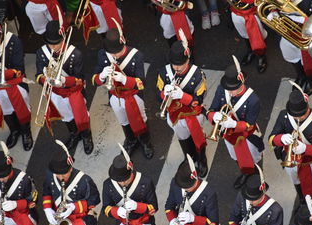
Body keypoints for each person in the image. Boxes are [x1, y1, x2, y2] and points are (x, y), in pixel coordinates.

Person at [92, 27, 154, 159]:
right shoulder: (103, 55)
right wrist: (102, 75)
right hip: (115, 95)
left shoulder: (136, 56)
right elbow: (95, 79)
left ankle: (145, 142)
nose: (115, 55)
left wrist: (124, 79)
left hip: (133, 94)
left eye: (117, 52)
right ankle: (130, 140)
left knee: (140, 118)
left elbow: (141, 83)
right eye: (112, 52)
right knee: (123, 119)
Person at [35, 20, 94, 154]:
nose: (54, 47)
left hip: (73, 92)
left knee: (81, 115)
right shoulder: (42, 53)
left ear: (63, 39)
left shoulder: (75, 54)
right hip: (56, 93)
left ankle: (86, 135)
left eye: (57, 43)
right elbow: (38, 75)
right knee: (66, 116)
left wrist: (64, 80)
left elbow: (80, 79)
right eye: (50, 43)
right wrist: (45, 79)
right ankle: (74, 133)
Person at [269, 89, 312, 218]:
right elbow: (271, 138)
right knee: (296, 181)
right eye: (295, 115)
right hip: (291, 159)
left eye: (301, 114)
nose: (298, 118)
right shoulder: (284, 116)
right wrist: (281, 138)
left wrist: (305, 149)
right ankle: (303, 201)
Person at [0, 15, 33, 151]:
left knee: (22, 110)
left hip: (14, 84)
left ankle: (26, 131)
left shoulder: (13, 42)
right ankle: (14, 130)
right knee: (6, 110)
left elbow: (19, 69)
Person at [43, 140, 100, 225]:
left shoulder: (84, 180)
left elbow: (94, 199)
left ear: (70, 167)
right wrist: (47, 208)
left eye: (63, 173)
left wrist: (75, 206)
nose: (61, 177)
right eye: (57, 174)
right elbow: (46, 191)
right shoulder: (50, 176)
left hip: (83, 217)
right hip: (64, 218)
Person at [156, 37, 208, 177]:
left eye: (181, 64)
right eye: (174, 64)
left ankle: (202, 159)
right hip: (174, 114)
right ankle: (188, 157)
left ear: (188, 60)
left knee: (198, 137)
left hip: (193, 114)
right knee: (182, 137)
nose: (177, 67)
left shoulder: (197, 75)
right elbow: (157, 94)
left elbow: (199, 98)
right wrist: (164, 94)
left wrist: (182, 96)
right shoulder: (164, 72)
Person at [207, 59, 264, 187]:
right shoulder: (222, 89)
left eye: (234, 88)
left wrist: (233, 124)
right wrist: (213, 115)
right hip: (229, 134)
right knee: (236, 157)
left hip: (247, 135)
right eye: (229, 88)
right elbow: (212, 109)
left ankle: (257, 177)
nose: (231, 91)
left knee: (254, 158)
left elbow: (249, 124)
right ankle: (245, 173)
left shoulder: (253, 99)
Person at [102, 148, 159, 225]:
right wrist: (117, 211)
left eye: (125, 179)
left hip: (144, 221)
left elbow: (154, 207)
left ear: (131, 172)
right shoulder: (108, 184)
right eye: (119, 180)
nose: (122, 183)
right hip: (124, 223)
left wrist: (137, 206)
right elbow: (106, 208)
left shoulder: (145, 182)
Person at [165, 156, 220, 225]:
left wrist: (193, 219)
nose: (184, 189)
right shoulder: (176, 184)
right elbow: (169, 206)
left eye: (187, 187)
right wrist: (172, 219)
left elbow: (213, 222)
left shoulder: (209, 193)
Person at [269, 0, 312, 95]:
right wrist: (273, 12)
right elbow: (275, 6)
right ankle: (301, 75)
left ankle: (311, 79)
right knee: (291, 57)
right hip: (287, 34)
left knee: (309, 61)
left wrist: (302, 19)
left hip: (306, 37)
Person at [230, 0, 268, 72]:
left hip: (252, 10)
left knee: (259, 34)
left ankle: (261, 56)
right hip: (236, 10)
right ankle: (251, 51)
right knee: (244, 33)